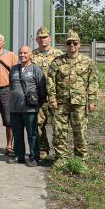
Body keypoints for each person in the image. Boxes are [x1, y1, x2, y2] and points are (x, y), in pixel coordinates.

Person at [48, 30, 99, 162]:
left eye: (74, 43)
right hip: (61, 103)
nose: (72, 45)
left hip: (79, 103)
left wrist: (92, 101)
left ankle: (80, 160)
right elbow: (50, 81)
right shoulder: (57, 62)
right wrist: (52, 99)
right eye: (69, 43)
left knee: (80, 132)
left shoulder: (87, 62)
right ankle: (61, 159)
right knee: (59, 132)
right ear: (65, 45)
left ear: (79, 44)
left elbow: (92, 82)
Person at [8, 46, 46, 166]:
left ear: (30, 55)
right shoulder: (13, 69)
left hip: (29, 108)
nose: (22, 55)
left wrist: (37, 104)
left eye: (25, 53)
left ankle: (34, 157)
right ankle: (19, 156)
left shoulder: (36, 69)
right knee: (17, 133)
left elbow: (42, 90)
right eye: (20, 53)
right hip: (15, 107)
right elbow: (11, 85)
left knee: (32, 133)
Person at [32, 26, 63, 160]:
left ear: (49, 38)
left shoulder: (58, 54)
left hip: (55, 95)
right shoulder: (32, 55)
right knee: (39, 124)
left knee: (59, 124)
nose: (42, 40)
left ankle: (60, 152)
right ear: (36, 39)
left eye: (45, 37)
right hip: (39, 95)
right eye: (40, 37)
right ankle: (43, 149)